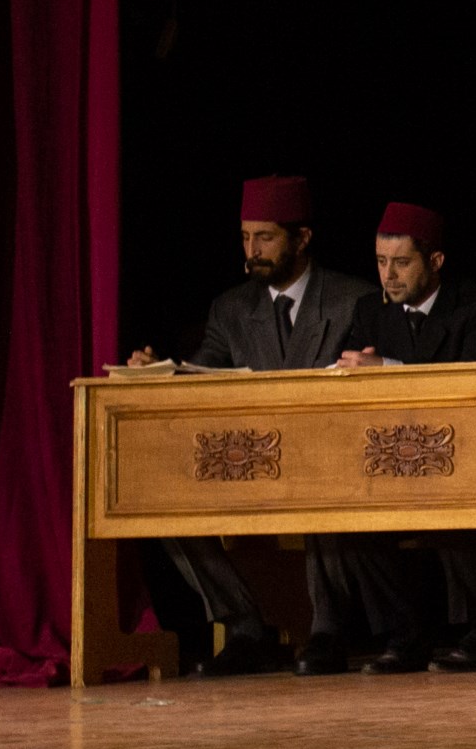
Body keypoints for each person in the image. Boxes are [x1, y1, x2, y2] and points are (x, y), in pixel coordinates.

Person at [134, 173, 372, 675]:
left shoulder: (353, 300)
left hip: (327, 460)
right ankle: (246, 628)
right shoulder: (233, 308)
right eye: (245, 237)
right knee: (159, 504)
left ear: (302, 238)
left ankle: (328, 632)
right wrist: (158, 372)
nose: (252, 249)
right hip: (254, 462)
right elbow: (202, 375)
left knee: (325, 490)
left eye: (264, 237)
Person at [317, 202, 476, 673]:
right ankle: (407, 635)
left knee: (450, 511)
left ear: (436, 262)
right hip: (396, 459)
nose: (388, 275)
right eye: (381, 262)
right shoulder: (371, 311)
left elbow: (471, 384)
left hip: (468, 456)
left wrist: (385, 369)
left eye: (402, 262)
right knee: (353, 520)